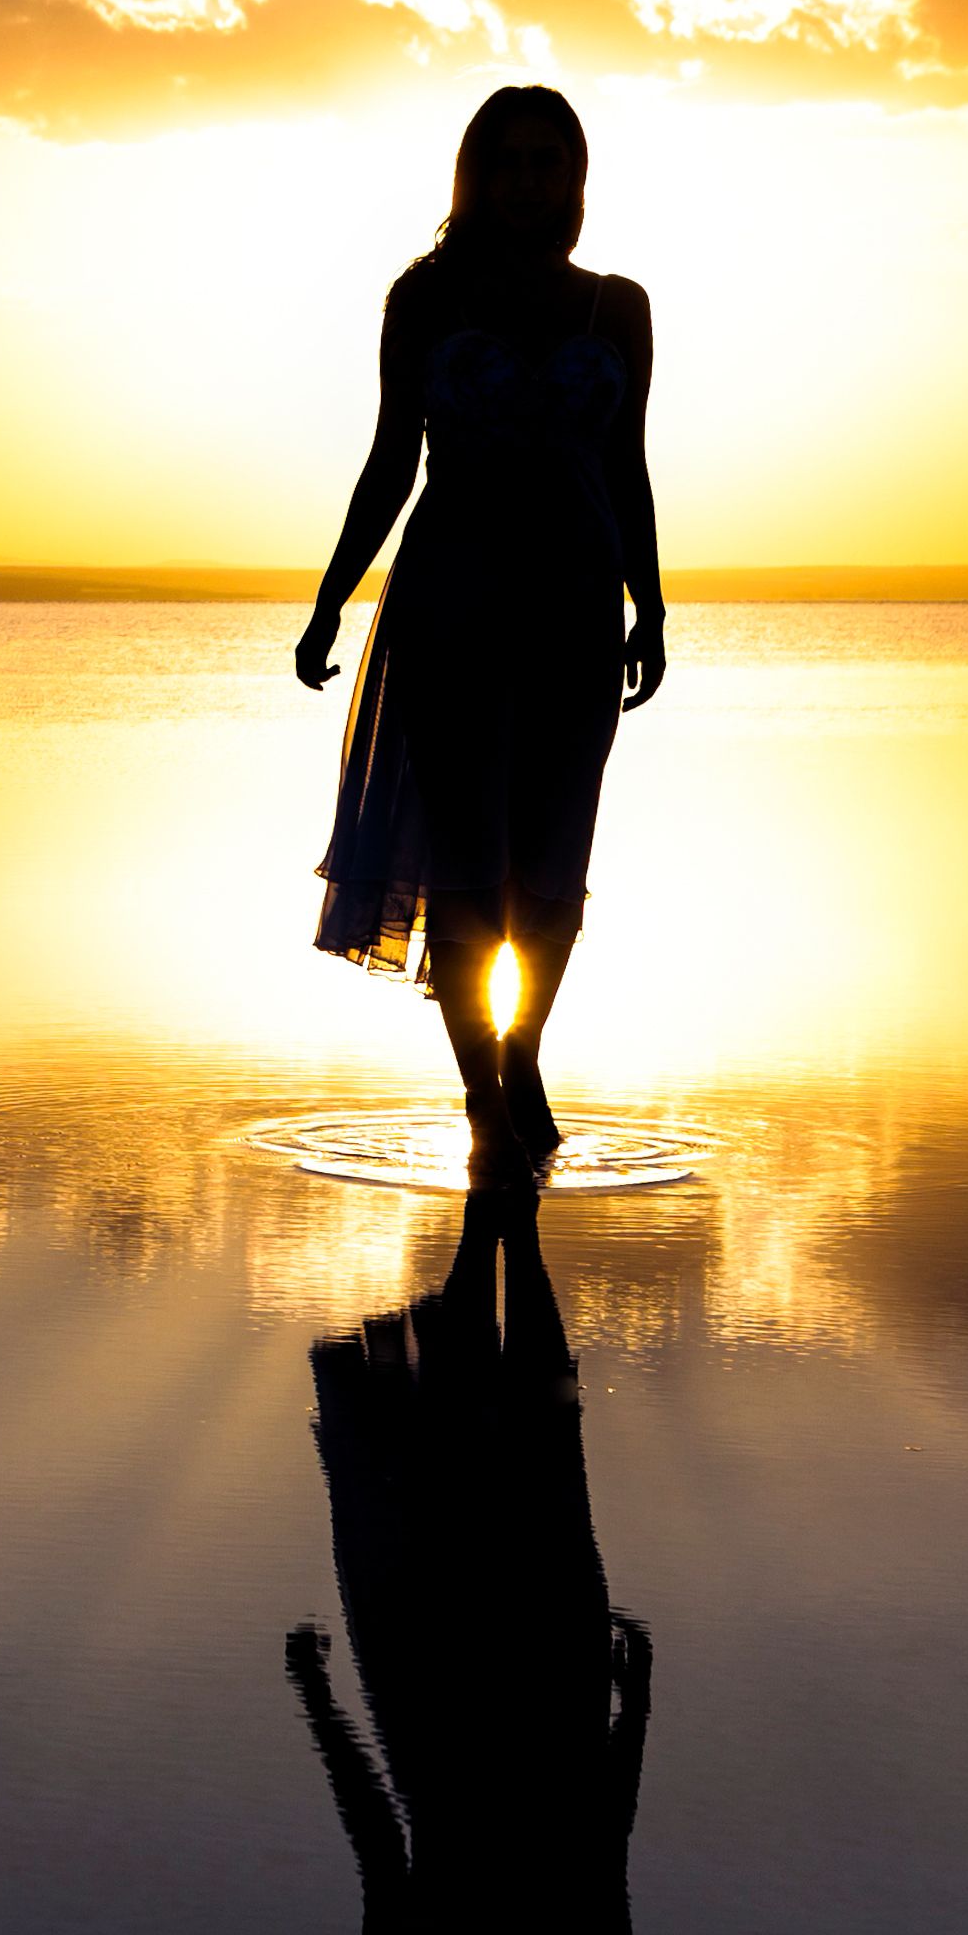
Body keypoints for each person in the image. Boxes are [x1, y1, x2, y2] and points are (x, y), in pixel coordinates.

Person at [296, 85, 666, 1169]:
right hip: (452, 602)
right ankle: (484, 1097)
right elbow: (387, 462)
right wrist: (328, 602)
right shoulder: (425, 300)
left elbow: (629, 470)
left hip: (579, 609)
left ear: (573, 179)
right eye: (505, 161)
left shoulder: (618, 309)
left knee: (551, 869)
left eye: (546, 162)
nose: (525, 181)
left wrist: (653, 601)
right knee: (469, 864)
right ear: (475, 175)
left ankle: (520, 1058)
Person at [286, 1182, 652, 1935]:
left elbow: (383, 1840)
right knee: (504, 1439)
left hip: (500, 1686)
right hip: (472, 1686)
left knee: (526, 1431)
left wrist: (639, 1706)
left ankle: (499, 1210)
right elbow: (600, 1827)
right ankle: (498, 1205)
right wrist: (316, 1700)